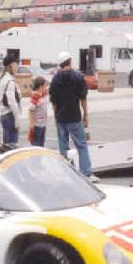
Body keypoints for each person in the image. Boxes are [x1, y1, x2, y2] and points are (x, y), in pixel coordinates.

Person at [49, 51, 97, 181]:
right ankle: (86, 172)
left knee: (63, 147)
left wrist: (56, 117)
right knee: (81, 145)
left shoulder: (55, 79)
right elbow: (83, 99)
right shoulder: (78, 77)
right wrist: (85, 115)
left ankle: (66, 172)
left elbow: (53, 101)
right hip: (74, 117)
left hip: (60, 118)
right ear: (70, 61)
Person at [0, 54, 22, 146]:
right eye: (16, 64)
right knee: (12, 147)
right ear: (11, 65)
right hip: (10, 116)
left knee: (6, 146)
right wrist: (17, 119)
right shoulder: (10, 81)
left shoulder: (4, 79)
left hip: (4, 116)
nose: (17, 67)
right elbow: (12, 102)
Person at [28, 76, 48, 147]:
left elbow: (48, 90)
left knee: (41, 145)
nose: (46, 87)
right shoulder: (35, 96)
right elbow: (31, 110)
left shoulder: (42, 94)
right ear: (40, 86)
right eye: (45, 85)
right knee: (36, 145)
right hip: (37, 126)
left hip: (43, 125)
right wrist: (31, 123)